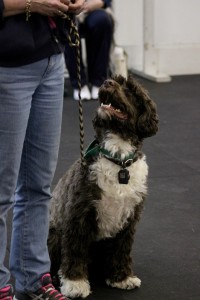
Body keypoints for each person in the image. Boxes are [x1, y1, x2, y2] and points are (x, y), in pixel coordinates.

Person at [0, 0, 85, 300]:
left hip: (50, 58)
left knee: (38, 186)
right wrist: (32, 3)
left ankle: (33, 279)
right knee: (1, 192)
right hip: (7, 67)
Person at [65, 0, 113, 100]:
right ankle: (79, 83)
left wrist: (101, 2)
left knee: (102, 21)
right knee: (69, 26)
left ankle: (98, 81)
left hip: (95, 7)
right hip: (68, 8)